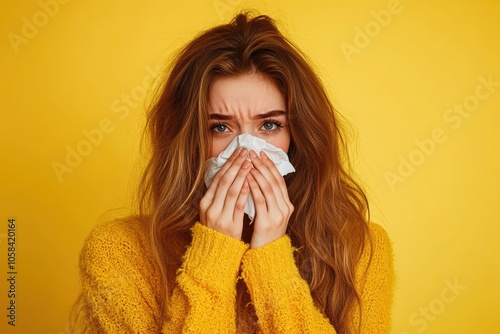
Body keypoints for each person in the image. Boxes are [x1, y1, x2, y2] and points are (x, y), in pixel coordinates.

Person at [73, 12, 395, 334]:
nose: (247, 150)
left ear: (297, 138)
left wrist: (272, 258)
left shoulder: (360, 250)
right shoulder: (119, 253)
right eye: (220, 127)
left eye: (269, 125)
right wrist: (214, 253)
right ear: (189, 141)